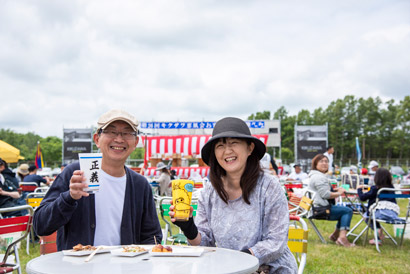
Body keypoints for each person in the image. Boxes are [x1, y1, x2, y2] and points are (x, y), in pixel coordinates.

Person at [170, 117, 297, 273]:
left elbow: (276, 243)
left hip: (270, 268)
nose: (227, 151)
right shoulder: (209, 193)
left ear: (250, 148)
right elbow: (206, 246)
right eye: (220, 145)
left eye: (233, 143)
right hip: (230, 268)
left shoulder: (269, 187)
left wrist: (241, 259)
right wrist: (189, 228)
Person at [33, 109, 162, 250]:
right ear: (97, 139)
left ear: (136, 141)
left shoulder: (140, 185)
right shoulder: (75, 173)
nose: (119, 139)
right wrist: (69, 198)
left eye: (127, 133)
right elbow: (41, 226)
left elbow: (152, 236)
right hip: (79, 267)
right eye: (111, 132)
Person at [308, 154, 355, 247]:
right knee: (347, 211)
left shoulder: (315, 175)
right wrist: (339, 192)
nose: (325, 163)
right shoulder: (319, 177)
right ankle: (342, 238)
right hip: (320, 210)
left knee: (342, 210)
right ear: (315, 164)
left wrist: (335, 190)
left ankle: (335, 236)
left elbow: (323, 192)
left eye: (326, 161)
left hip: (316, 207)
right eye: (321, 161)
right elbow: (325, 195)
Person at [357, 168, 403, 245]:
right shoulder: (391, 188)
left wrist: (359, 189)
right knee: (372, 213)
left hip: (379, 213)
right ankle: (379, 233)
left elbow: (362, 198)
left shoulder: (375, 188)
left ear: (376, 178)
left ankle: (378, 236)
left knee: (367, 216)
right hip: (393, 213)